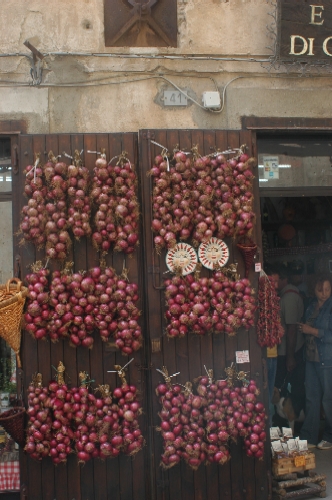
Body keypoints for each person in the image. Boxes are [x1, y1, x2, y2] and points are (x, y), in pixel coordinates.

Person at [299, 275, 332, 449]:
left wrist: (311, 330)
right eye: (321, 290)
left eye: (327, 289)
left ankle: (329, 436)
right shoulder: (311, 306)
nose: (324, 293)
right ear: (314, 290)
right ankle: (309, 436)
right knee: (312, 398)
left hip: (327, 358)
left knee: (328, 399)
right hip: (311, 358)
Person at [274, 264, 305, 421]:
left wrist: (290, 357)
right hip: (287, 351)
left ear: (284, 279)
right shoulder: (287, 294)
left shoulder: (289, 297)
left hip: (290, 351)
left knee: (288, 389)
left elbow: (291, 328)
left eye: (276, 279)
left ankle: (293, 423)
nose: (273, 282)